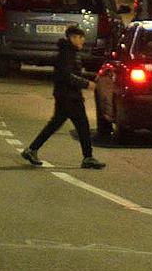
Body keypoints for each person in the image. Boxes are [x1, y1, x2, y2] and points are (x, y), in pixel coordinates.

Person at [22, 26, 103, 169]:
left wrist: (87, 80)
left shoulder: (69, 52)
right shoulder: (67, 54)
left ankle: (32, 149)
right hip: (69, 96)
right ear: (72, 38)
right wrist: (86, 84)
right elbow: (66, 75)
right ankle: (88, 157)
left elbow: (72, 73)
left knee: (58, 124)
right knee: (82, 126)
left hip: (66, 95)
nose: (82, 40)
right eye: (80, 37)